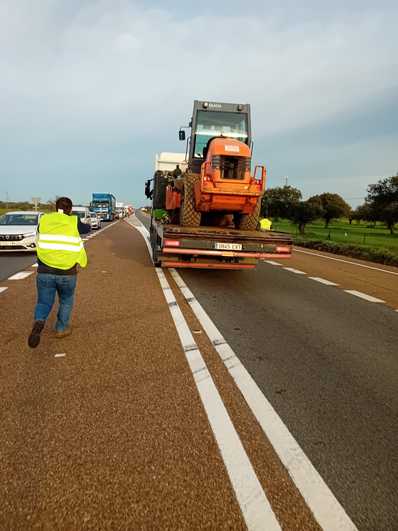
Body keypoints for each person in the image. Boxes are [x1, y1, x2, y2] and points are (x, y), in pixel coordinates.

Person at [28, 197, 90, 348]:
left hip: (44, 270)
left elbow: (38, 236)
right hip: (67, 272)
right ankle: (61, 329)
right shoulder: (73, 221)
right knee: (66, 300)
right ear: (70, 209)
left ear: (56, 208)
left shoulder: (44, 219)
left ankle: (39, 321)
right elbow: (86, 229)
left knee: (43, 301)